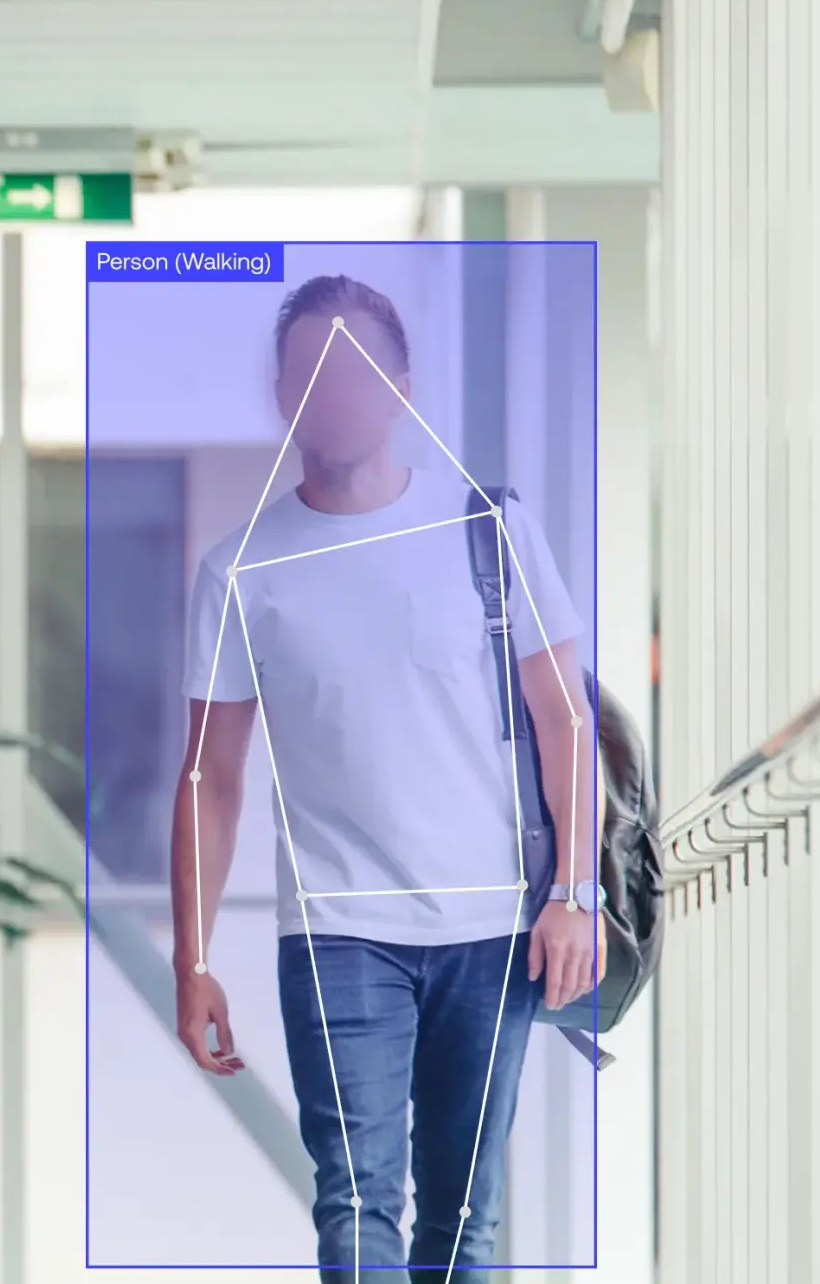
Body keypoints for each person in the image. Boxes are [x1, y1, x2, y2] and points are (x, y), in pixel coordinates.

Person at [169, 275, 603, 1281]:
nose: (330, 390)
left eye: (353, 369)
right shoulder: (240, 569)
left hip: (492, 931)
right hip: (335, 935)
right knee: (356, 1200)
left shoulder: (490, 531)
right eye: (306, 372)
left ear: (403, 390)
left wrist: (575, 892)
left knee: (462, 1219)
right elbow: (211, 778)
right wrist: (193, 957)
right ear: (280, 394)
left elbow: (565, 718)